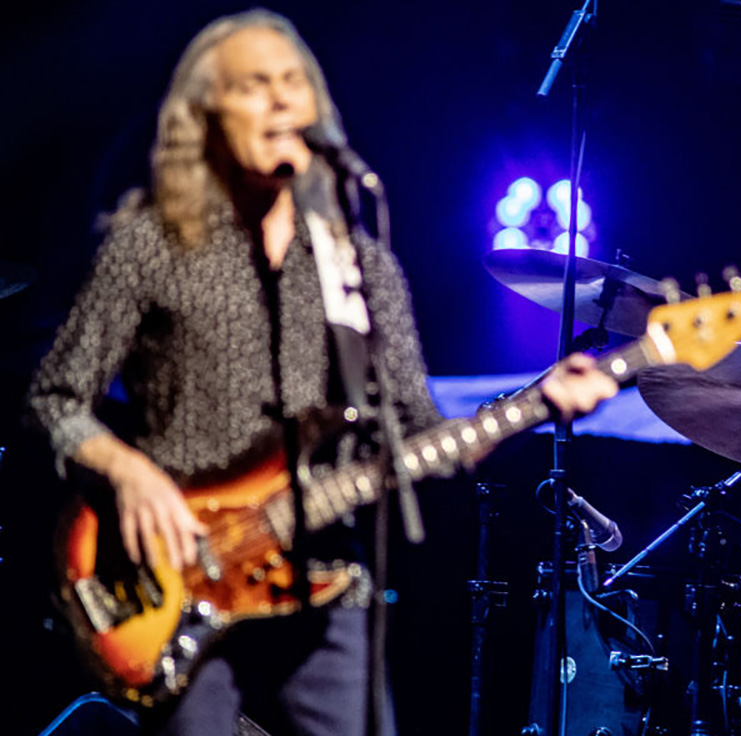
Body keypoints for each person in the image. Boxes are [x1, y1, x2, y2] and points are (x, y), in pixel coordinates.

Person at [27, 10, 615, 736]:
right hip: (181, 575)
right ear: (207, 115)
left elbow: (424, 436)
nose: (278, 100)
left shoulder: (360, 267)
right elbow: (55, 397)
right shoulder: (149, 248)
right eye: (253, 85)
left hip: (320, 577)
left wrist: (537, 406)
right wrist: (130, 473)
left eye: (290, 83)